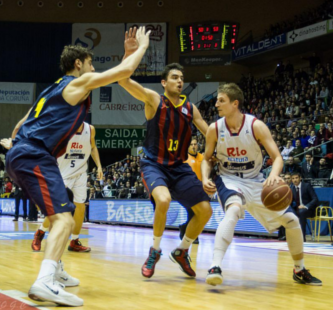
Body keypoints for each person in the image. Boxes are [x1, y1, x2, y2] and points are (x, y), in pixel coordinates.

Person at [0, 27, 151, 306]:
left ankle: (55, 269)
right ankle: (45, 280)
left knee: (66, 214)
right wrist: (140, 48)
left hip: (24, 153)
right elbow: (122, 73)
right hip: (34, 155)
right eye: (91, 63)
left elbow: (22, 122)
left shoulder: (52, 88)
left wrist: (14, 143)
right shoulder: (77, 83)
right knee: (64, 220)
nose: (93, 69)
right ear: (78, 64)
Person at [201, 83, 321, 287]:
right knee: (233, 210)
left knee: (291, 220)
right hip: (229, 178)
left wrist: (273, 175)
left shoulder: (255, 126)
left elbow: (277, 158)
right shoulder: (215, 129)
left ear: (234, 103)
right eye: (217, 100)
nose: (217, 103)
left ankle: (299, 269)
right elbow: (207, 159)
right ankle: (215, 266)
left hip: (255, 181)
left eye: (221, 100)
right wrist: (205, 178)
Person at [118, 28, 212, 279]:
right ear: (164, 82)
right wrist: (131, 53)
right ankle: (155, 250)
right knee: (163, 200)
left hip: (179, 167)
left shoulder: (192, 109)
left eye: (181, 78)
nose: (179, 81)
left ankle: (182, 251)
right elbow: (123, 80)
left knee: (205, 210)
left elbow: (211, 133)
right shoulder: (153, 100)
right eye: (174, 77)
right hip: (154, 165)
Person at [31, 122, 103, 253]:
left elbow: (92, 147)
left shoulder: (90, 129)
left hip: (80, 174)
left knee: (80, 207)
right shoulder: (62, 128)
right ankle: (40, 233)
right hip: (62, 174)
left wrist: (98, 165)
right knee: (57, 210)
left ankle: (74, 241)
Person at [179, 137, 204, 244]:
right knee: (193, 212)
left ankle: (184, 228)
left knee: (198, 214)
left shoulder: (202, 157)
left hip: (200, 189)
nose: (194, 146)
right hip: (188, 189)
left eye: (195, 144)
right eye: (191, 144)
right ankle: (193, 236)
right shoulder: (184, 158)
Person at [291, 173, 319, 241]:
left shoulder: (306, 186)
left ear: (300, 178)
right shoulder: (292, 188)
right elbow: (290, 201)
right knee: (287, 213)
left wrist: (306, 206)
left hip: (309, 210)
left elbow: (315, 199)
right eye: (293, 178)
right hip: (298, 209)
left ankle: (302, 238)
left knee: (301, 212)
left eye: (296, 178)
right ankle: (286, 236)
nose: (295, 180)